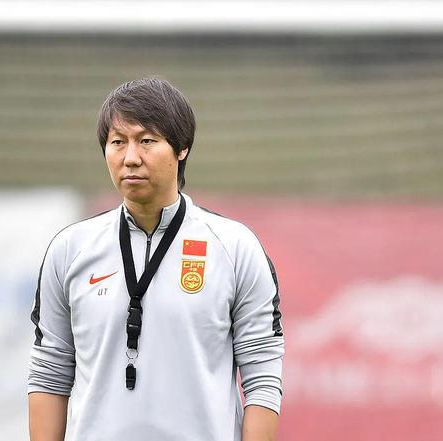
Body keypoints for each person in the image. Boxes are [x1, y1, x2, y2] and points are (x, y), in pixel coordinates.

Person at [28, 77, 284, 441]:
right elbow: (49, 373)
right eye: (118, 142)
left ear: (182, 148)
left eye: (146, 141)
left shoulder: (235, 247)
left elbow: (262, 377)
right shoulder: (70, 249)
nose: (130, 158)